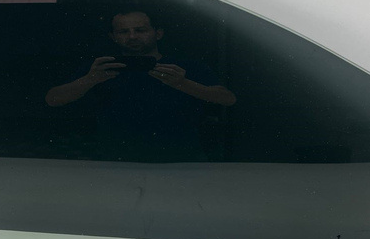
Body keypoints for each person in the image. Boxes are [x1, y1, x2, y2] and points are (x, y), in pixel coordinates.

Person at [45, 10, 236, 162]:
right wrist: (89, 79)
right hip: (115, 159)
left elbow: (227, 99)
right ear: (113, 36)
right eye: (123, 32)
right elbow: (52, 99)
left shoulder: (186, 67)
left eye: (140, 30)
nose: (132, 36)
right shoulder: (101, 68)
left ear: (158, 33)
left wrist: (183, 83)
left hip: (183, 158)